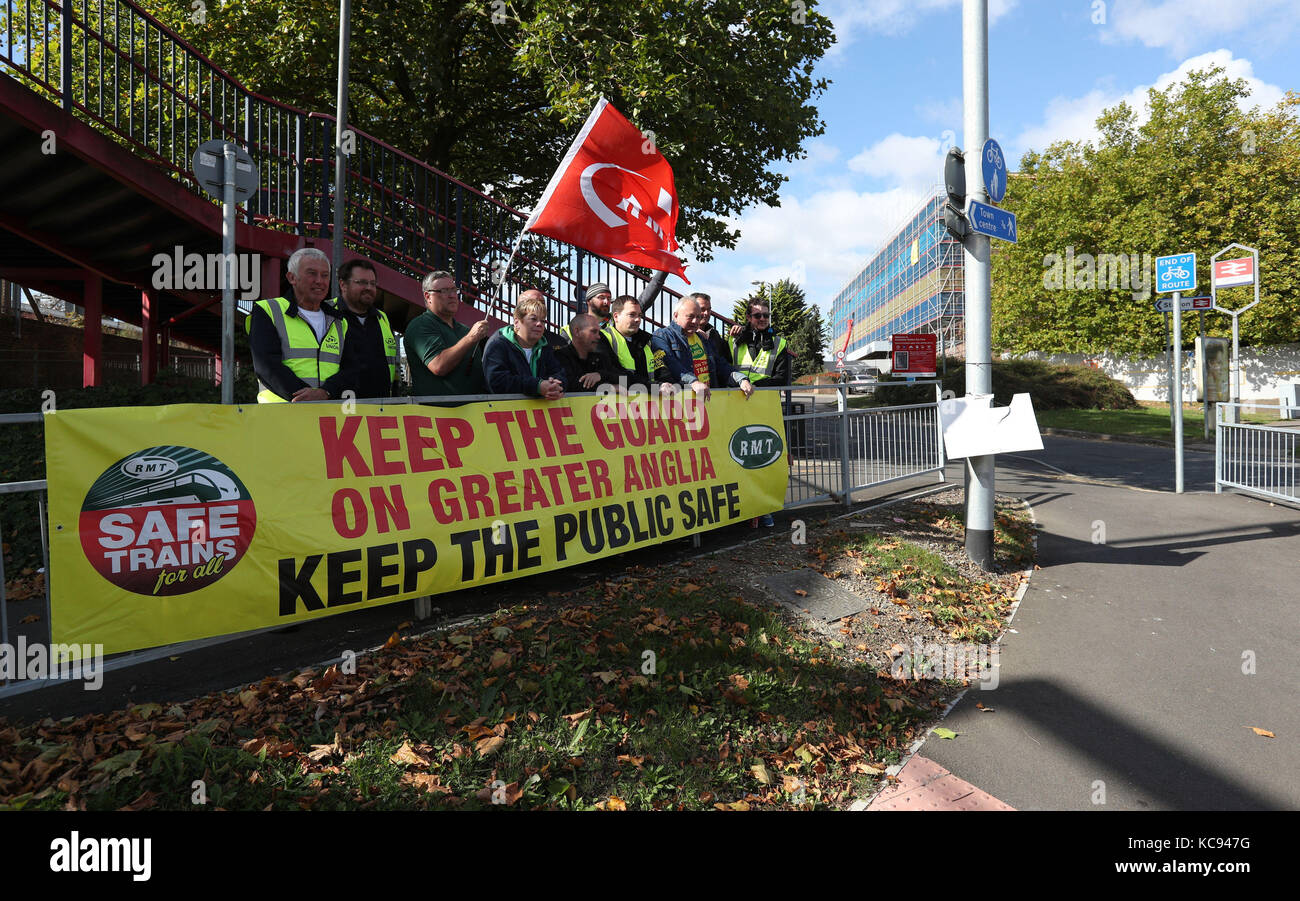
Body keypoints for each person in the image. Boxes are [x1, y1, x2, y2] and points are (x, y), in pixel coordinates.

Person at [246, 247, 360, 403]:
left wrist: (326, 392)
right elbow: (267, 366)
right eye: (311, 273)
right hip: (281, 416)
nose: (319, 280)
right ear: (292, 277)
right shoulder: (268, 311)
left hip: (327, 415)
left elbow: (351, 369)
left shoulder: (340, 321)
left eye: (325, 275)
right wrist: (306, 399)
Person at [729, 300, 791, 527]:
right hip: (737, 408)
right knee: (739, 461)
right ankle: (744, 508)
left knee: (764, 461)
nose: (762, 319)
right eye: (757, 316)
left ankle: (764, 508)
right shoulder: (733, 340)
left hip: (765, 409)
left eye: (765, 315)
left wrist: (754, 386)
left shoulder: (779, 343)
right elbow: (724, 368)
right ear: (748, 318)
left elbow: (780, 378)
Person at [403, 270, 493, 398]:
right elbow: (439, 366)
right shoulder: (420, 325)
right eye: (444, 291)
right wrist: (470, 339)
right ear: (428, 296)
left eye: (454, 290)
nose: (452, 295)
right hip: (436, 415)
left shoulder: (464, 330)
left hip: (473, 414)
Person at [651, 296, 754, 401]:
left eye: (698, 317)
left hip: (707, 403)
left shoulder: (702, 338)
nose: (695, 321)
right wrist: (693, 382)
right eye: (690, 316)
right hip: (679, 404)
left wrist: (741, 379)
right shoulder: (661, 336)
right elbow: (671, 364)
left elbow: (720, 364)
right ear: (676, 316)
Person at [334, 259, 398, 399]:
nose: (369, 287)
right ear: (343, 284)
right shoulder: (327, 313)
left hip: (380, 408)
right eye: (362, 282)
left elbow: (393, 366)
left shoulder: (382, 318)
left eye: (373, 283)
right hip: (338, 409)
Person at [482, 291, 565, 399]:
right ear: (517, 322)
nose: (539, 324)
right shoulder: (498, 345)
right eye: (533, 319)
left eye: (543, 321)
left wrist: (556, 386)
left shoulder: (545, 348)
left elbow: (560, 375)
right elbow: (497, 381)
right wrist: (537, 386)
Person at [602, 295, 671, 390]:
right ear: (616, 316)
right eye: (632, 315)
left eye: (639, 315)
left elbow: (660, 370)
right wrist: (654, 387)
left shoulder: (647, 340)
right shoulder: (603, 337)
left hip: (648, 401)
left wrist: (667, 384)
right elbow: (614, 373)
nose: (638, 319)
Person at [554, 313, 622, 392]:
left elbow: (626, 378)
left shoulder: (601, 358)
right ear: (577, 331)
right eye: (594, 331)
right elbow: (568, 385)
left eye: (598, 332)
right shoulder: (560, 356)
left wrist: (601, 375)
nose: (599, 336)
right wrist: (608, 387)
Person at [689, 292, 733, 366]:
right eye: (702, 309)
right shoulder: (682, 334)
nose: (706, 313)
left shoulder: (714, 334)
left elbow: (725, 360)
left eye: (709, 309)